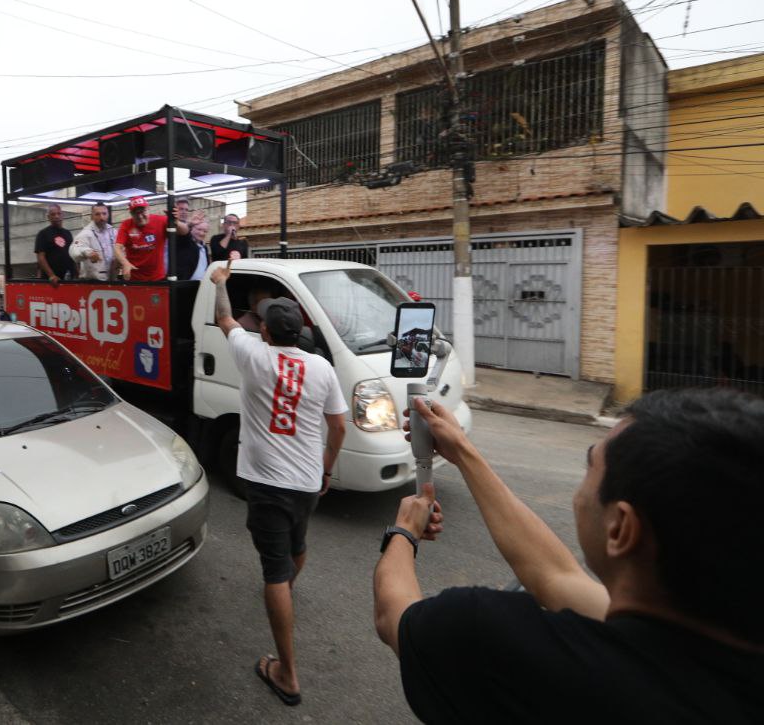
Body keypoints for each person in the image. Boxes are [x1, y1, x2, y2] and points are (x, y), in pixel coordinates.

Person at [373, 389, 764, 723]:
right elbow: (555, 577)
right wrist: (463, 452)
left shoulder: (492, 640)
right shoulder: (715, 651)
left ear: (620, 528)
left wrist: (405, 529)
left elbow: (395, 616)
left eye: (590, 464)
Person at [208, 262, 348, 706]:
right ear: (300, 329)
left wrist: (220, 284)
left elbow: (224, 319)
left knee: (274, 568)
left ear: (265, 332)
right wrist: (327, 467)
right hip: (308, 481)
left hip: (267, 483)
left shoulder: (252, 355)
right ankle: (283, 593)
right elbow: (339, 426)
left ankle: (287, 675)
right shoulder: (322, 368)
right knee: (297, 546)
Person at [115, 196, 188, 281]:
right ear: (131, 214)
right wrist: (125, 263)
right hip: (134, 278)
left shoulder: (160, 221)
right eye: (136, 213)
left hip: (157, 278)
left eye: (143, 212)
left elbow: (184, 231)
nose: (140, 216)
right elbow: (117, 248)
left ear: (148, 209)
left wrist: (176, 222)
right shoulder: (126, 225)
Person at [69, 203, 117, 281]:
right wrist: (88, 253)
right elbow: (73, 250)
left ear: (108, 214)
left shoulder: (113, 232)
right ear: (92, 216)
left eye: (104, 214)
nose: (101, 217)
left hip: (111, 280)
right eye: (97, 214)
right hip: (91, 282)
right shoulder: (85, 233)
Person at [34, 204, 75, 284]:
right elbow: (41, 258)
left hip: (68, 279)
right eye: (53, 214)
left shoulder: (68, 233)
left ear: (62, 215)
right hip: (51, 282)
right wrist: (52, 275)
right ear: (48, 217)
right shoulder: (43, 234)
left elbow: (72, 254)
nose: (56, 216)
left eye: (59, 213)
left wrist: (77, 273)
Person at [175, 212, 211, 280]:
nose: (201, 233)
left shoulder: (204, 247)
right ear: (191, 229)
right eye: (199, 229)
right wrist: (189, 224)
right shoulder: (185, 240)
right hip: (185, 286)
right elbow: (184, 232)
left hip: (200, 286)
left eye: (205, 231)